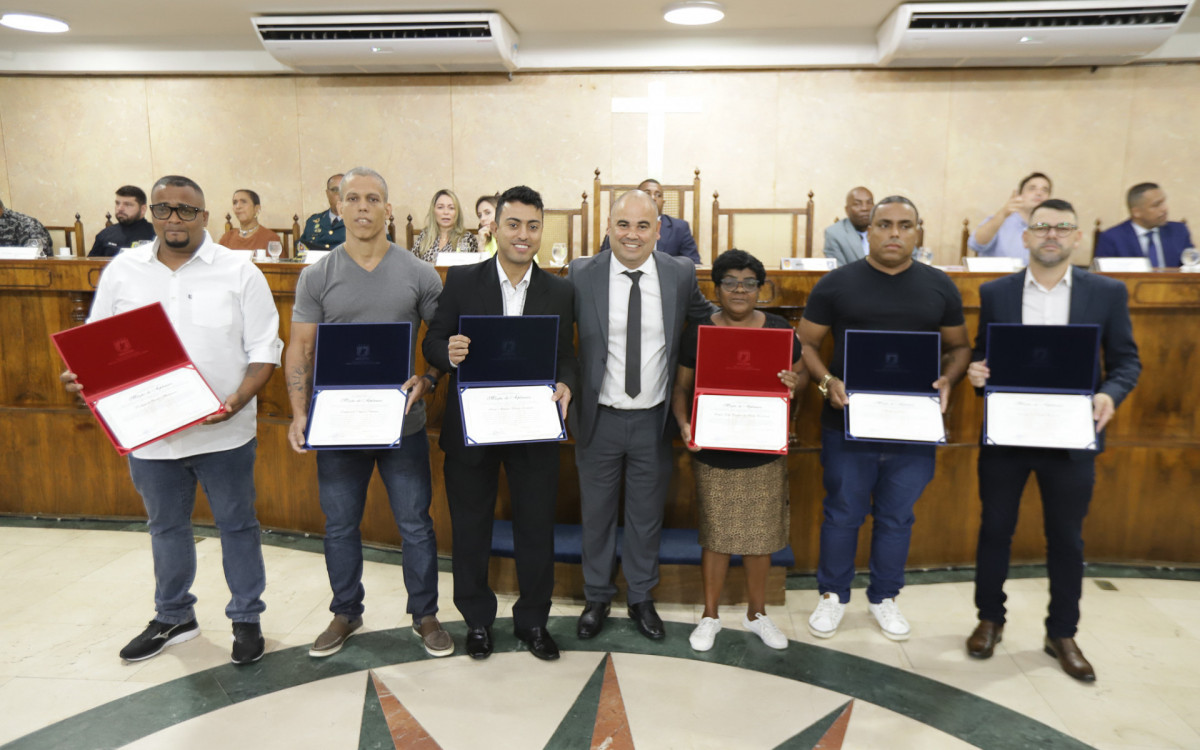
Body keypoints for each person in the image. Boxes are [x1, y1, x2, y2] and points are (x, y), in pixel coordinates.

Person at [62, 175, 281, 665]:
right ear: (151, 214)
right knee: (165, 527)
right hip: (150, 435)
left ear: (205, 216)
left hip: (223, 433)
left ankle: (246, 618)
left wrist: (238, 400)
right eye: (163, 209)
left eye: (186, 210)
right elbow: (97, 344)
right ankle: (174, 615)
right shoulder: (123, 271)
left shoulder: (239, 271)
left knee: (238, 526)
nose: (174, 219)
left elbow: (265, 349)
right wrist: (82, 377)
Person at [965, 198, 1141, 681]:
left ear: (1077, 237)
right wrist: (977, 373)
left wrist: (1109, 393)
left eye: (1063, 227)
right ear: (1026, 236)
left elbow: (1126, 361)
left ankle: (1062, 632)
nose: (1051, 235)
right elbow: (983, 355)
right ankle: (990, 619)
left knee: (1066, 537)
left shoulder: (1106, 292)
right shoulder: (996, 292)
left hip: (1070, 437)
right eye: (1042, 226)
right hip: (1008, 434)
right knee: (995, 530)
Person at [285, 167, 451, 659]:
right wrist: (299, 413)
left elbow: (443, 342)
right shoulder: (317, 275)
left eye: (373, 198)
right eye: (353, 198)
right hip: (337, 427)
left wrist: (429, 379)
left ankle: (425, 614)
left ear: (388, 209)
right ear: (338, 207)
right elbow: (300, 349)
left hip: (403, 424)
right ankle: (345, 612)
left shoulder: (419, 273)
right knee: (339, 525)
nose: (362, 207)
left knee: (415, 523)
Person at [798, 195, 970, 642]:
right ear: (869, 231)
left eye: (905, 225)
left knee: (897, 517)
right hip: (848, 423)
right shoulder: (837, 283)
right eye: (884, 224)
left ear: (918, 232)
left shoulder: (939, 285)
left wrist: (949, 379)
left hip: (913, 427)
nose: (894, 233)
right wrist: (826, 381)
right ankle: (833, 595)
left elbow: (959, 348)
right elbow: (807, 344)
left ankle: (884, 597)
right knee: (843, 513)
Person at [423, 185, 578, 661]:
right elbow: (433, 342)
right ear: (495, 227)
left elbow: (566, 356)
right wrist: (448, 353)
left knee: (536, 527)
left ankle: (534, 622)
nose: (523, 235)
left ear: (541, 230)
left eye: (533, 226)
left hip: (533, 426)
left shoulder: (560, 290)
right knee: (471, 528)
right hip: (473, 426)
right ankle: (476, 621)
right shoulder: (462, 280)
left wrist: (566, 383)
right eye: (513, 224)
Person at [569, 189, 715, 642]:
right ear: (608, 227)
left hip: (654, 419)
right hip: (598, 418)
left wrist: (765, 335)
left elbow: (709, 319)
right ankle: (596, 596)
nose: (632, 234)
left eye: (643, 225)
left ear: (658, 231)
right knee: (596, 514)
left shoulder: (679, 273)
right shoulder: (580, 273)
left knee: (646, 515)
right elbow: (553, 331)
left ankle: (640, 597)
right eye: (623, 224)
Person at [671, 249, 806, 651]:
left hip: (762, 447)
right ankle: (710, 616)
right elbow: (681, 388)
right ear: (716, 289)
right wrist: (684, 424)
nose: (740, 290)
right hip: (714, 448)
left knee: (760, 536)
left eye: (749, 283)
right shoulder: (698, 331)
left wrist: (794, 382)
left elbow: (797, 375)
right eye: (730, 282)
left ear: (760, 289)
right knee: (716, 535)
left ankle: (756, 614)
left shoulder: (779, 329)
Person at [600, 179, 701, 264]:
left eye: (658, 195)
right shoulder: (618, 226)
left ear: (663, 202)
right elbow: (602, 261)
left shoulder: (680, 228)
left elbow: (693, 263)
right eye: (647, 193)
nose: (653, 198)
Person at [1094, 182, 1193, 268]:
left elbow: (1192, 265)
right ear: (1136, 212)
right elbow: (1104, 277)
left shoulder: (1178, 231)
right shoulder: (1112, 238)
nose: (1164, 209)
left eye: (1163, 202)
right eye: (1156, 205)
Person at [968, 172, 1053, 261]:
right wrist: (1003, 214)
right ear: (1020, 195)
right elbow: (975, 245)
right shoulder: (1000, 220)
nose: (1039, 193)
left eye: (1045, 190)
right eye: (1032, 188)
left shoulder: (1052, 228)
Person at [89, 185, 156, 257]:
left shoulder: (155, 234)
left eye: (128, 204)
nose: (120, 208)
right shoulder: (105, 234)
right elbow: (90, 263)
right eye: (117, 203)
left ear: (143, 209)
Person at [413, 189, 479, 262]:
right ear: (433, 211)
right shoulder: (425, 235)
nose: (446, 212)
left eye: (451, 208)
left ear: (457, 212)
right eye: (440, 207)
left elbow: (473, 266)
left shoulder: (467, 238)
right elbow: (412, 263)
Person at [823, 187, 874, 267]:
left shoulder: (885, 230)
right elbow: (839, 270)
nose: (865, 208)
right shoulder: (834, 234)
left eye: (869, 203)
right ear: (847, 210)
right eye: (857, 204)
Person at [218, 189, 282, 251]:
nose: (238, 206)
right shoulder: (227, 238)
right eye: (235, 202)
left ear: (257, 208)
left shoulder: (271, 239)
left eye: (243, 202)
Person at [298, 173, 345, 252]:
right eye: (335, 190)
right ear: (327, 193)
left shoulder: (358, 222)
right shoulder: (313, 221)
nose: (340, 195)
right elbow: (301, 249)